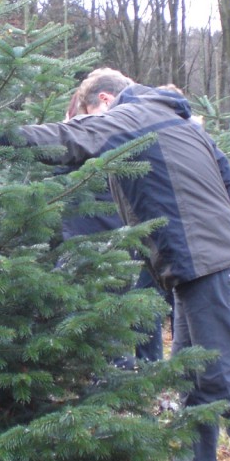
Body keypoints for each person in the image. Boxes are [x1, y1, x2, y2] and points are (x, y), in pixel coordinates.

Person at [5, 67, 230, 461]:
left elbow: (69, 139)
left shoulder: (132, 115)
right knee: (192, 374)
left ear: (104, 101)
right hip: (203, 263)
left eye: (88, 112)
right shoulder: (179, 122)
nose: (90, 121)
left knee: (227, 376)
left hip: (204, 263)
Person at [60, 88, 167, 365]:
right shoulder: (132, 128)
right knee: (130, 301)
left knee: (133, 302)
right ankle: (137, 371)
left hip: (121, 236)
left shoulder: (112, 131)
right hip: (113, 235)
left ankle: (126, 374)